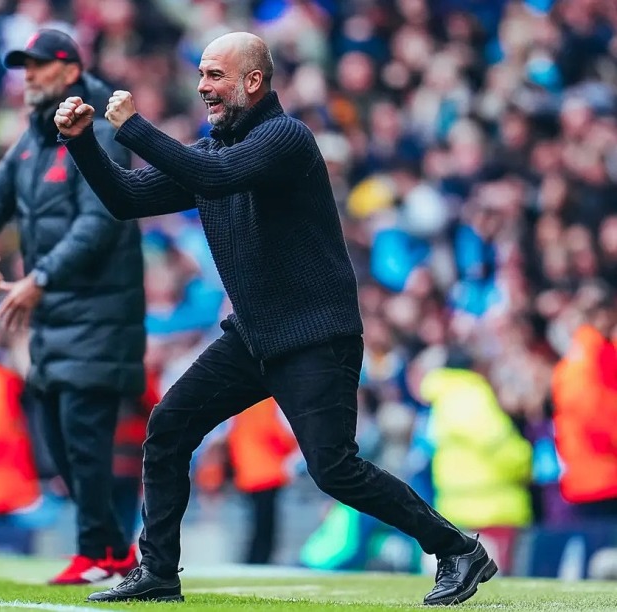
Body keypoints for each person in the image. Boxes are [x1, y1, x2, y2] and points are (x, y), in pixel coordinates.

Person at [55, 31, 497, 606]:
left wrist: (133, 127)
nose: (202, 86)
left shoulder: (286, 138)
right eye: (202, 74)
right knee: (167, 429)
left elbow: (213, 178)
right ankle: (158, 571)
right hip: (256, 335)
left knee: (333, 469)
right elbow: (126, 198)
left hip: (316, 336)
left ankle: (457, 549)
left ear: (253, 82)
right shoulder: (212, 152)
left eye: (215, 75)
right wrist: (83, 141)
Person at [0, 28, 145, 585]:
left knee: (83, 444)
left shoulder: (98, 133)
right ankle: (113, 550)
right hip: (51, 323)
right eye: (25, 67)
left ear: (71, 72)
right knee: (63, 448)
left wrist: (39, 277)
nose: (29, 76)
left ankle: (98, 550)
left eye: (40, 67)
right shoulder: (30, 142)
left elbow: (99, 223)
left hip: (98, 315)